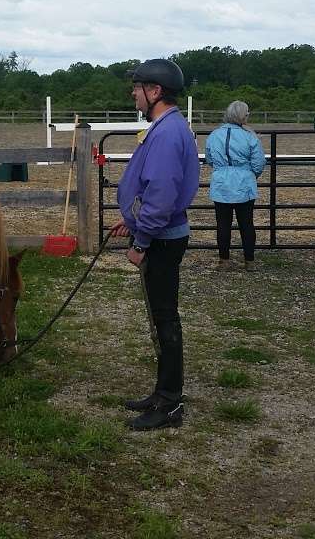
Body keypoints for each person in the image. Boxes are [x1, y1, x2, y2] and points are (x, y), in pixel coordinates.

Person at [111, 58, 200, 431]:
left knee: (165, 320)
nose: (133, 92)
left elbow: (162, 195)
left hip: (160, 239)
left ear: (155, 91)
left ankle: (169, 403)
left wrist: (141, 239)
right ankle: (164, 393)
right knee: (161, 318)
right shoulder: (167, 127)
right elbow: (153, 190)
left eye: (138, 87)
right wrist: (130, 219)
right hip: (159, 234)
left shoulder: (165, 133)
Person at [205, 101, 266, 269]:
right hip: (244, 183)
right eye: (246, 114)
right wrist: (250, 174)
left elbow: (209, 158)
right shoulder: (249, 136)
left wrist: (222, 169)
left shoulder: (214, 135)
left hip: (221, 183)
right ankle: (249, 261)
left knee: (223, 224)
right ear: (242, 116)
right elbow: (259, 162)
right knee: (246, 224)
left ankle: (224, 260)